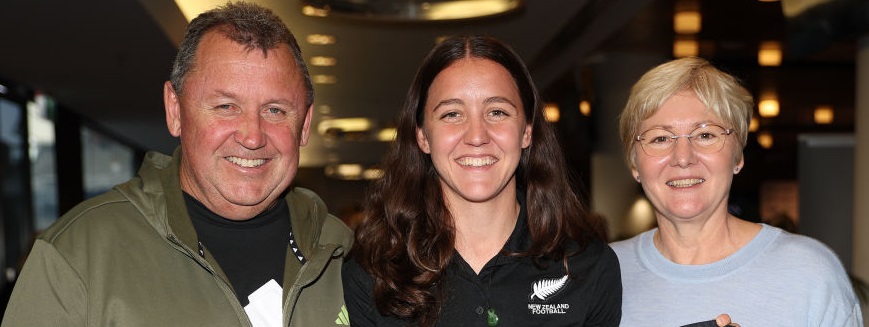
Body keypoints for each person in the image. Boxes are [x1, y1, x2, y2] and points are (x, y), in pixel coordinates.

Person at [2, 2, 353, 326]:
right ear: (175, 111)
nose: (252, 136)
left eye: (275, 110)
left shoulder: (346, 253)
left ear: (304, 125)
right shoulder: (77, 257)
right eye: (225, 106)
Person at [342, 35, 622, 326]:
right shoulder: (375, 271)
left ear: (527, 131)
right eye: (452, 114)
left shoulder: (587, 265)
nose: (477, 136)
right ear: (423, 136)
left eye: (497, 112)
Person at [610, 56, 862, 326]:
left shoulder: (808, 274)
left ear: (738, 156)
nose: (683, 157)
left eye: (705, 135)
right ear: (634, 164)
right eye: (660, 138)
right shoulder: (600, 274)